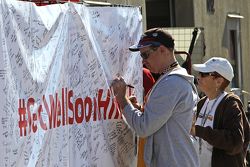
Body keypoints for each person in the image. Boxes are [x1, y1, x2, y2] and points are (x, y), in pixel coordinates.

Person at [111, 28, 199, 167]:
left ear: (162, 50)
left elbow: (144, 127)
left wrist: (122, 98)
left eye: (145, 55)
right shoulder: (172, 79)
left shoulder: (171, 83)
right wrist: (139, 109)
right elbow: (165, 120)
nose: (143, 61)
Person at [191, 57, 250, 167]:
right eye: (199, 73)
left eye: (204, 74)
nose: (198, 77)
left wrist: (199, 131)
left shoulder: (231, 105)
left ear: (219, 81)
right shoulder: (201, 103)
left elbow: (235, 142)